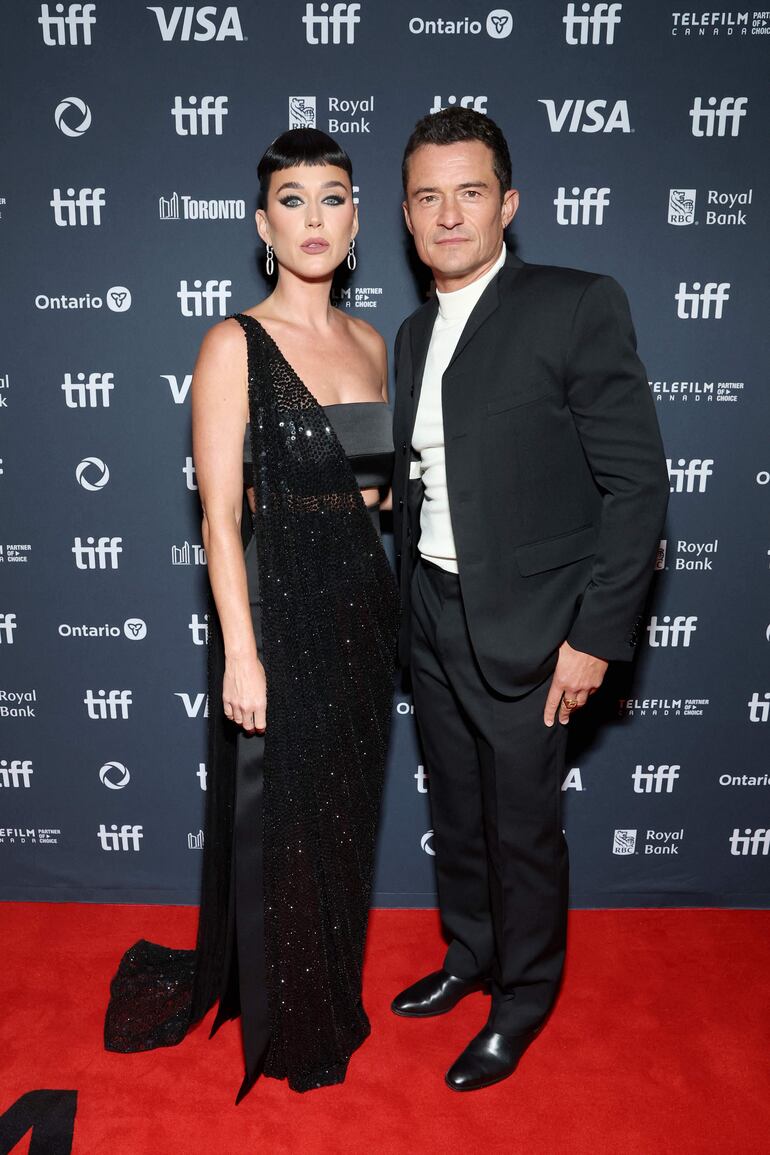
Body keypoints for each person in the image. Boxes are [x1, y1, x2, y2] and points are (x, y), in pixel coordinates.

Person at [104, 129, 399, 1099]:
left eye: (331, 198)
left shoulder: (370, 344)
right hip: (276, 617)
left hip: (363, 615)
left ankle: (327, 983)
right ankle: (291, 1012)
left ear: (356, 219)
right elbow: (220, 519)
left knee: (344, 816)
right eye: (291, 200)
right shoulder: (232, 343)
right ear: (260, 222)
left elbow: (378, 498)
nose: (312, 219)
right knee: (284, 817)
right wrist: (240, 651)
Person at [390, 108, 669, 1092]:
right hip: (429, 609)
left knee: (518, 825)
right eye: (428, 195)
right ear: (408, 215)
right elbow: (437, 470)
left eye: (469, 192)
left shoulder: (574, 303)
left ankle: (524, 996)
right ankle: (469, 957)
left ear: (507, 203)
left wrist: (595, 635)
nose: (449, 213)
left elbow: (635, 485)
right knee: (458, 812)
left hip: (534, 626)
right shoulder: (412, 331)